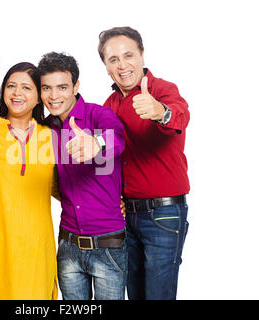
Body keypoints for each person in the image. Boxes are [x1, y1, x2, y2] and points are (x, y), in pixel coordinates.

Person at [98, 26, 190, 300]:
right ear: (105, 66)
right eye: (113, 59)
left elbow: (180, 117)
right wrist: (115, 198)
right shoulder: (109, 104)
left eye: (128, 55)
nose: (122, 65)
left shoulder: (162, 90)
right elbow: (108, 161)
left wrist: (160, 112)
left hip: (163, 214)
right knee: (135, 293)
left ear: (141, 56)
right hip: (127, 217)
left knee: (158, 295)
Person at [0, 62, 58, 300]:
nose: (17, 93)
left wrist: (110, 202)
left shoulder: (50, 137)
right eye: (11, 86)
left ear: (39, 97)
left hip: (35, 252)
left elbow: (63, 188)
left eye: (26, 88)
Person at [38, 52, 127, 300]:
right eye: (47, 88)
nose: (54, 96)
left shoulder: (99, 115)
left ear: (76, 86)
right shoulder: (46, 129)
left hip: (108, 244)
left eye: (62, 87)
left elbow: (118, 140)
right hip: (67, 245)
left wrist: (96, 143)